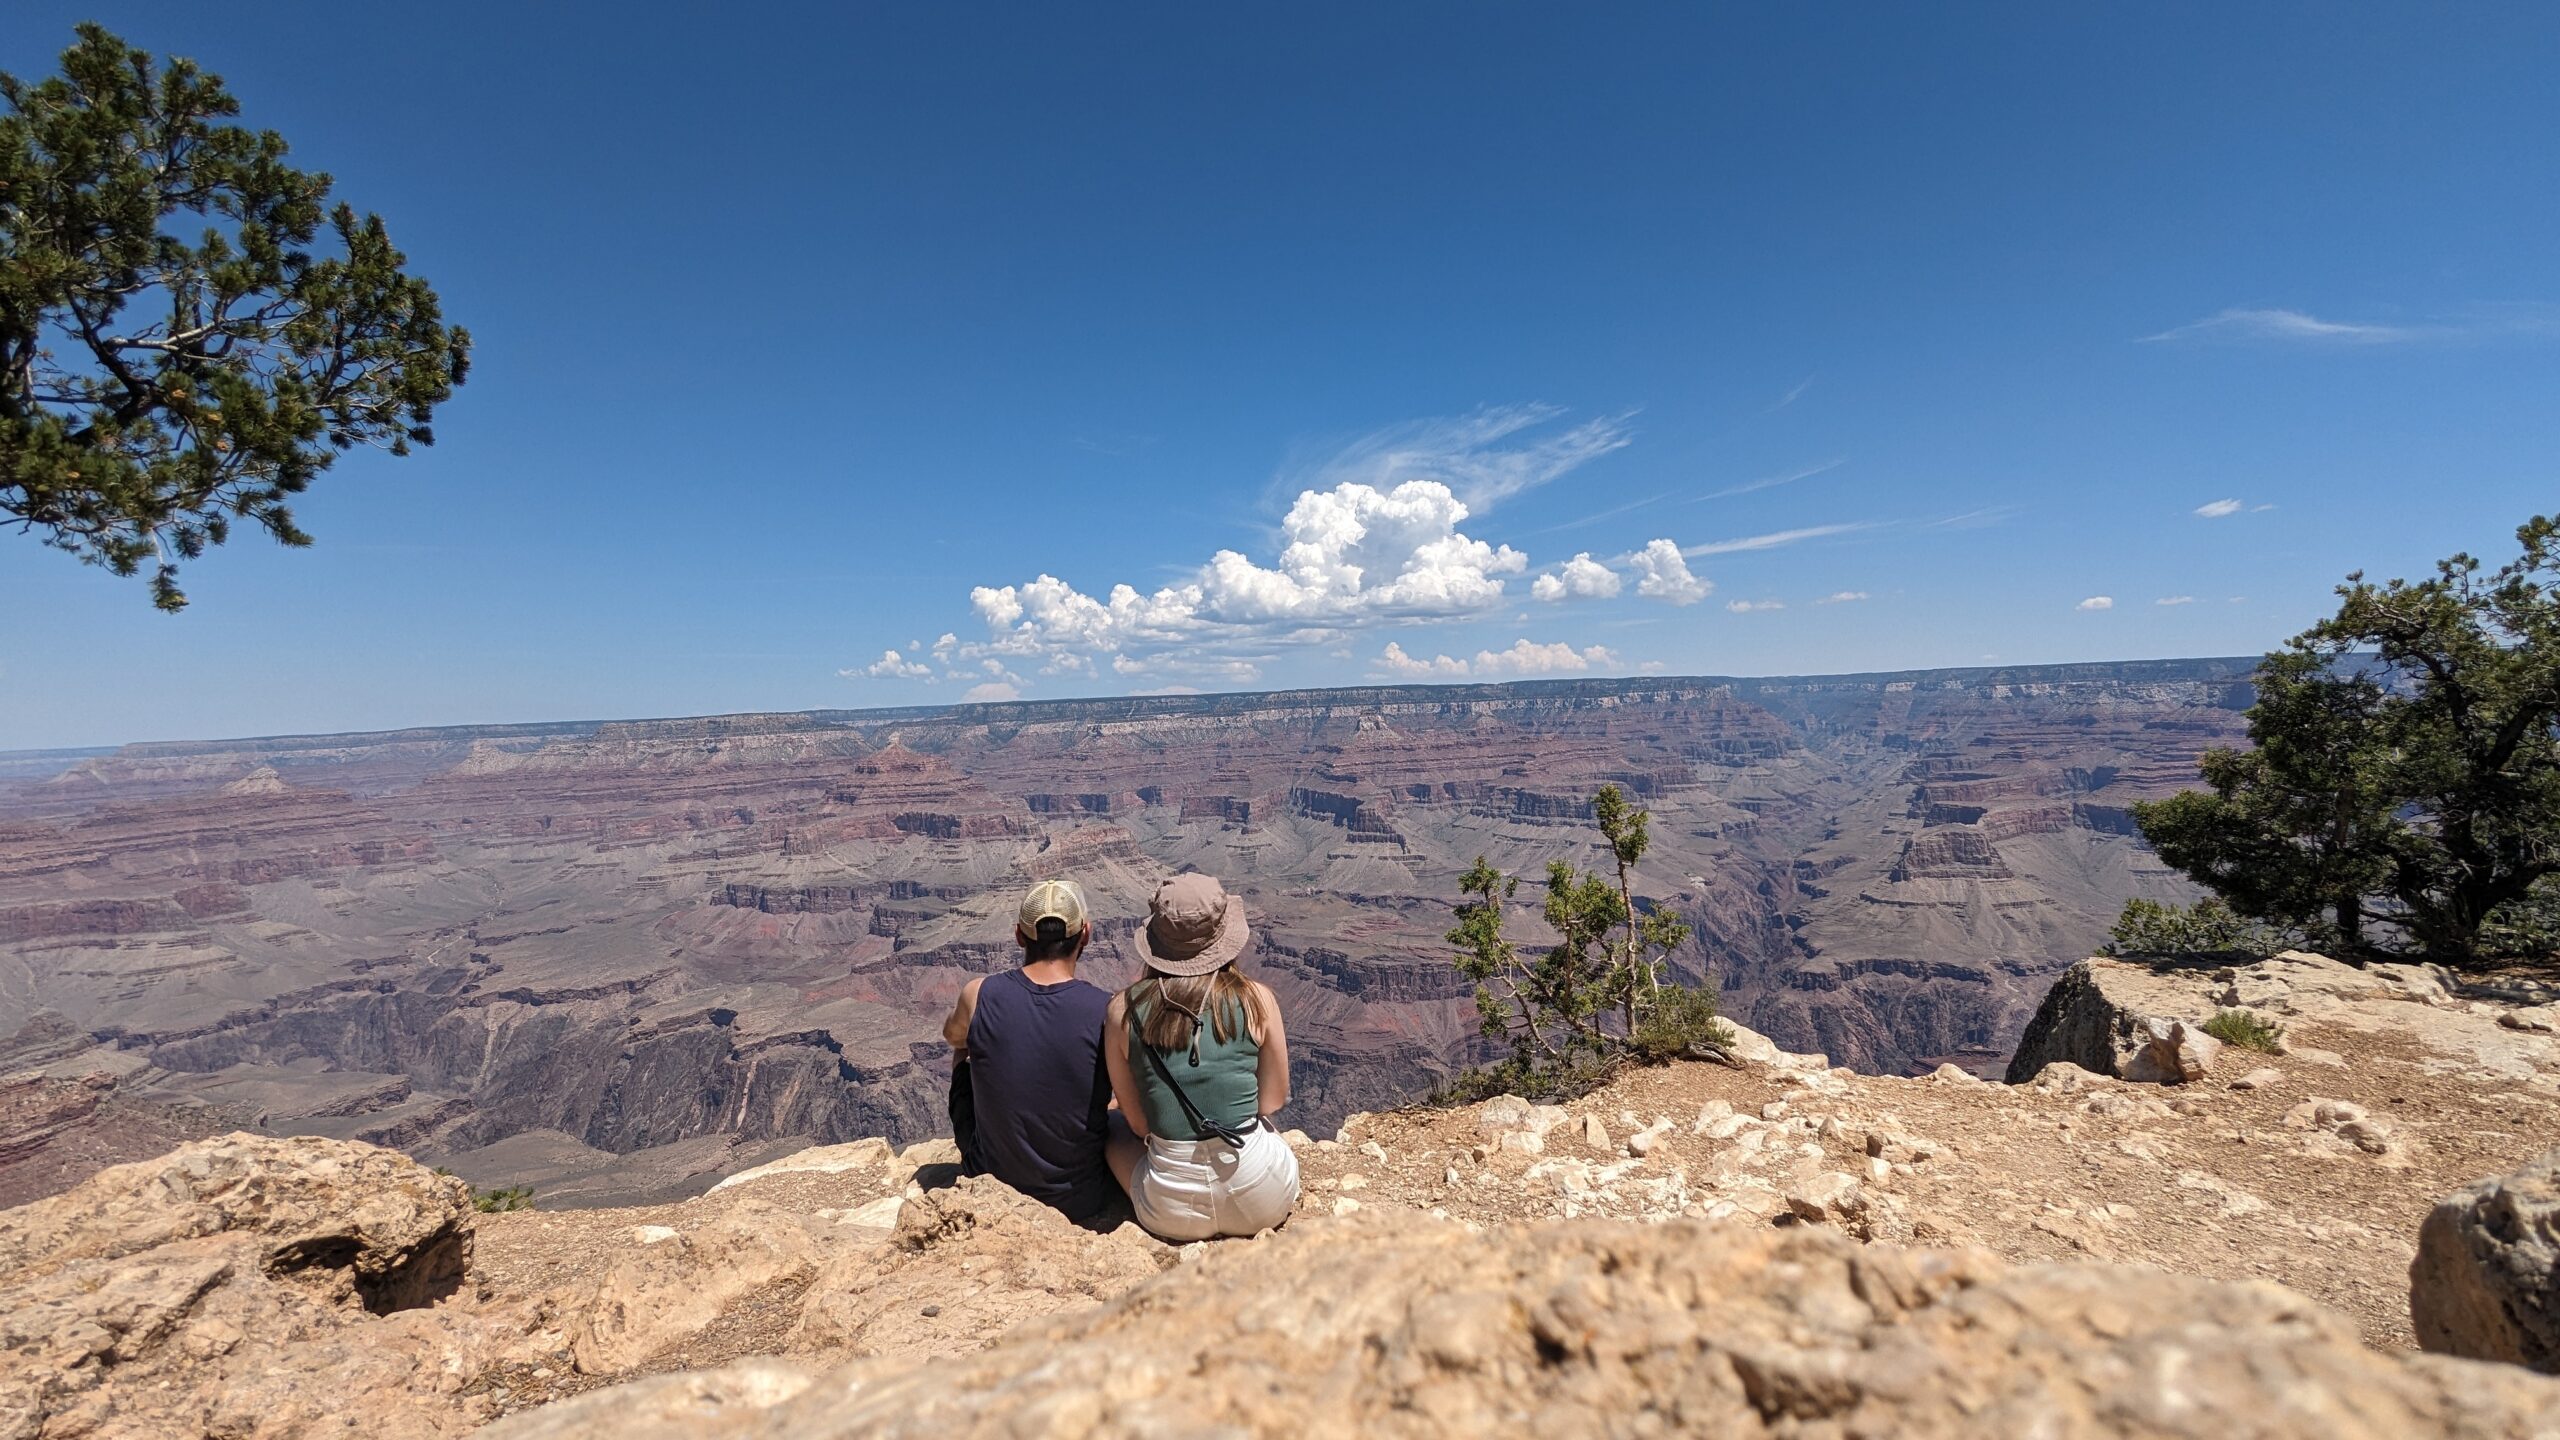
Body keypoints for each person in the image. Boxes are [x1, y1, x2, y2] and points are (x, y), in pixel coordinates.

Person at [1103, 873, 1299, 1240]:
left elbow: (1140, 1127)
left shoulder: (1122, 1011)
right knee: (1267, 1131)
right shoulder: (1257, 999)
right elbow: (1272, 1101)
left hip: (1171, 1212)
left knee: (1111, 1130)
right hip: (1262, 1201)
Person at [939, 878, 1120, 1225]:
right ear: (1085, 934)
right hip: (1079, 1201)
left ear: (1019, 936)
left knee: (965, 1052)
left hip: (990, 1185)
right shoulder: (1107, 1010)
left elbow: (953, 1037)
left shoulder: (978, 993)